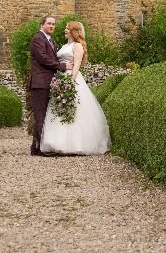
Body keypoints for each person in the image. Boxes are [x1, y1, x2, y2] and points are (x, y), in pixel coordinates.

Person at [39, 21, 111, 155]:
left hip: (71, 79)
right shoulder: (65, 45)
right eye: (65, 28)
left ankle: (74, 144)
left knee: (73, 109)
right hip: (60, 78)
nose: (65, 30)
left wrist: (70, 83)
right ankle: (56, 142)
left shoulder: (78, 46)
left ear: (74, 31)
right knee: (59, 109)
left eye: (67, 28)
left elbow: (77, 65)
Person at [27, 15, 67, 156]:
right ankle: (37, 148)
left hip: (48, 82)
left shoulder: (50, 40)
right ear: (42, 24)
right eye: (49, 23)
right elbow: (43, 59)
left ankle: (38, 145)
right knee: (41, 115)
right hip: (40, 83)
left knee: (46, 116)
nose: (52, 26)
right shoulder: (38, 38)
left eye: (54, 24)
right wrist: (62, 66)